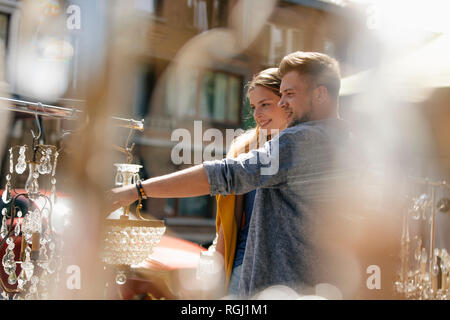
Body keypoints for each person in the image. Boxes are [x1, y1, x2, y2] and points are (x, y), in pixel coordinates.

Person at [107, 51, 356, 298]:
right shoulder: (348, 143)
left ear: (321, 93)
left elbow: (226, 174)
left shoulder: (301, 140)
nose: (282, 103)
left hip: (281, 289)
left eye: (289, 94)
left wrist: (137, 190)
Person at [214, 68, 289, 296]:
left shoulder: (307, 147)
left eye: (265, 104)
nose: (257, 114)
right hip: (244, 268)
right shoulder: (243, 149)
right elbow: (229, 224)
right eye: (254, 107)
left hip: (289, 275)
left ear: (286, 100)